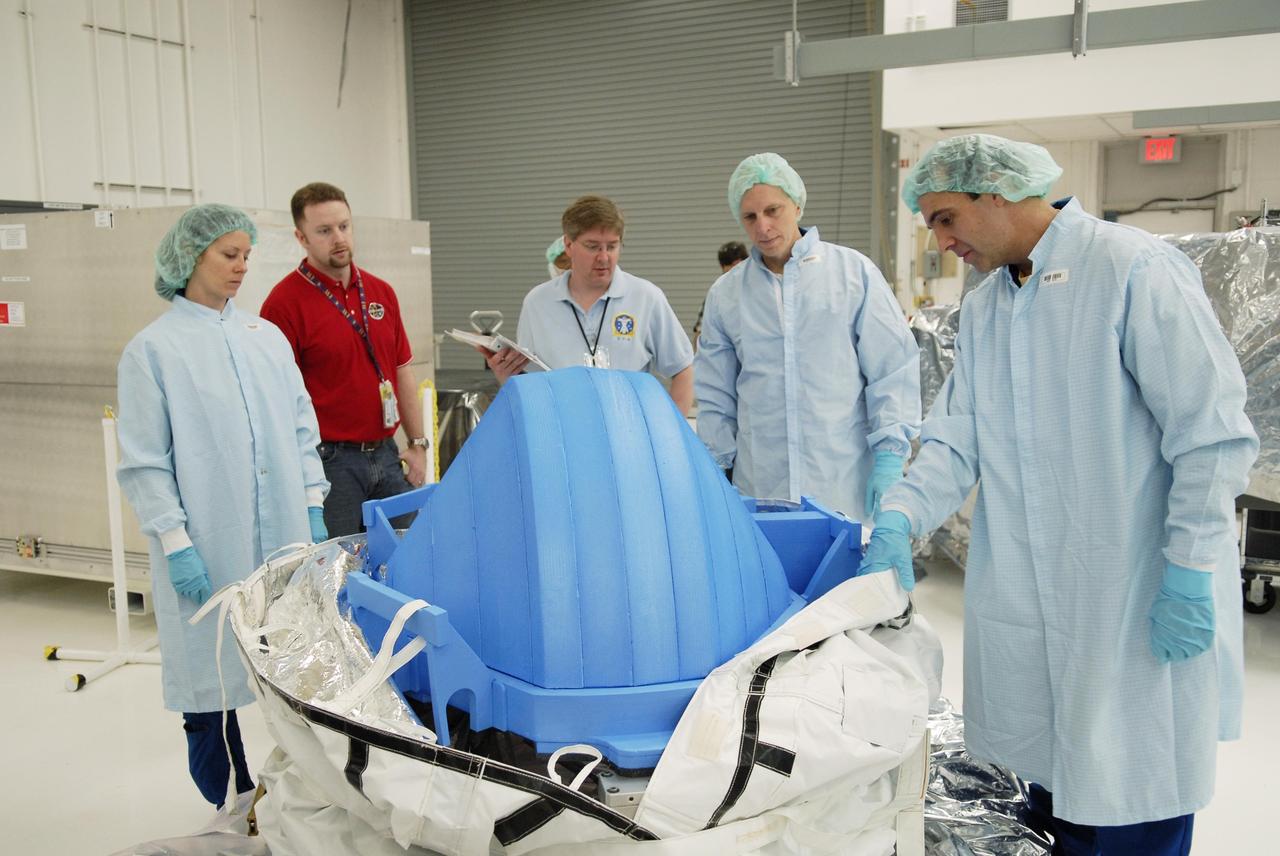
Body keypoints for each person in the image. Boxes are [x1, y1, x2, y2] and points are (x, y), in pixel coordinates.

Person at [859, 134, 1258, 855]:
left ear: (997, 194)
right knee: (1057, 787)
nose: (941, 241)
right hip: (1032, 602)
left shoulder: (1130, 268)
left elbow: (1211, 437)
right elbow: (955, 439)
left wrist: (1193, 571)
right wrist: (898, 519)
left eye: (946, 218)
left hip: (1134, 594)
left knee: (1133, 791)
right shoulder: (986, 310)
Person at [117, 204, 329, 809]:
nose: (241, 267)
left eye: (245, 256)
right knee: (209, 685)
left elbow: (298, 427)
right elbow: (144, 463)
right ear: (190, 259)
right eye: (227, 255)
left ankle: (301, 799)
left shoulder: (265, 337)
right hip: (208, 543)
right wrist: (176, 543)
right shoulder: (152, 351)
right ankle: (228, 807)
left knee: (296, 670)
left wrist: (312, 503)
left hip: (284, 537)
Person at [693, 152, 921, 522]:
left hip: (842, 487)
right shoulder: (727, 294)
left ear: (797, 205)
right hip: (760, 493)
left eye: (773, 210)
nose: (763, 226)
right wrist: (716, 471)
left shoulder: (853, 274)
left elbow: (891, 371)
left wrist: (891, 457)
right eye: (750, 216)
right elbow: (716, 396)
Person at [260, 182, 428, 537]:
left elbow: (401, 372)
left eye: (344, 226)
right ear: (301, 237)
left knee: (406, 559)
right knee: (335, 572)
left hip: (387, 453)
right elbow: (275, 400)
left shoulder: (381, 292)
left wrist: (417, 444)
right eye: (324, 231)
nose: (339, 238)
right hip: (329, 463)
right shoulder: (283, 305)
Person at [484, 196, 694, 414]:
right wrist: (506, 375)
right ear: (568, 245)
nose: (604, 258)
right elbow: (528, 383)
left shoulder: (646, 298)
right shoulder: (537, 303)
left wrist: (671, 435)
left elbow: (682, 369)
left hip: (630, 435)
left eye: (612, 247)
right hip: (563, 434)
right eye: (592, 247)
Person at [692, 241, 748, 343]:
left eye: (738, 265)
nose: (735, 271)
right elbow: (700, 333)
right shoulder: (716, 296)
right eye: (730, 265)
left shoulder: (761, 290)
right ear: (722, 267)